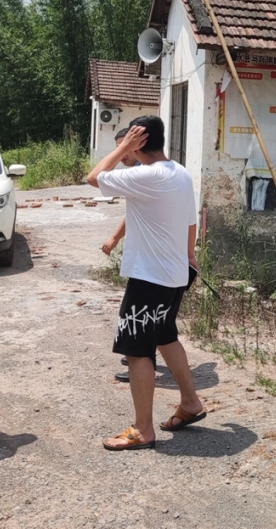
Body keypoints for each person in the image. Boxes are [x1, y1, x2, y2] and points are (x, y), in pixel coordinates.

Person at [87, 115, 206, 450]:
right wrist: (189, 256)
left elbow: (94, 177)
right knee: (165, 336)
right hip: (175, 273)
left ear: (138, 141)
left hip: (149, 278)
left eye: (129, 141)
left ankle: (143, 430)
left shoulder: (147, 174)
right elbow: (190, 222)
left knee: (137, 350)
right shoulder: (180, 173)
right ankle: (190, 402)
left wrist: (122, 148)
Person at [100, 128, 158, 384]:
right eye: (117, 149)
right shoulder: (152, 171)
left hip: (150, 260)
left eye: (124, 148)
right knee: (159, 323)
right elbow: (134, 213)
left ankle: (141, 363)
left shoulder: (143, 173)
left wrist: (114, 237)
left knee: (143, 319)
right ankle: (141, 359)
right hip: (157, 258)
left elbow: (95, 177)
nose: (120, 154)